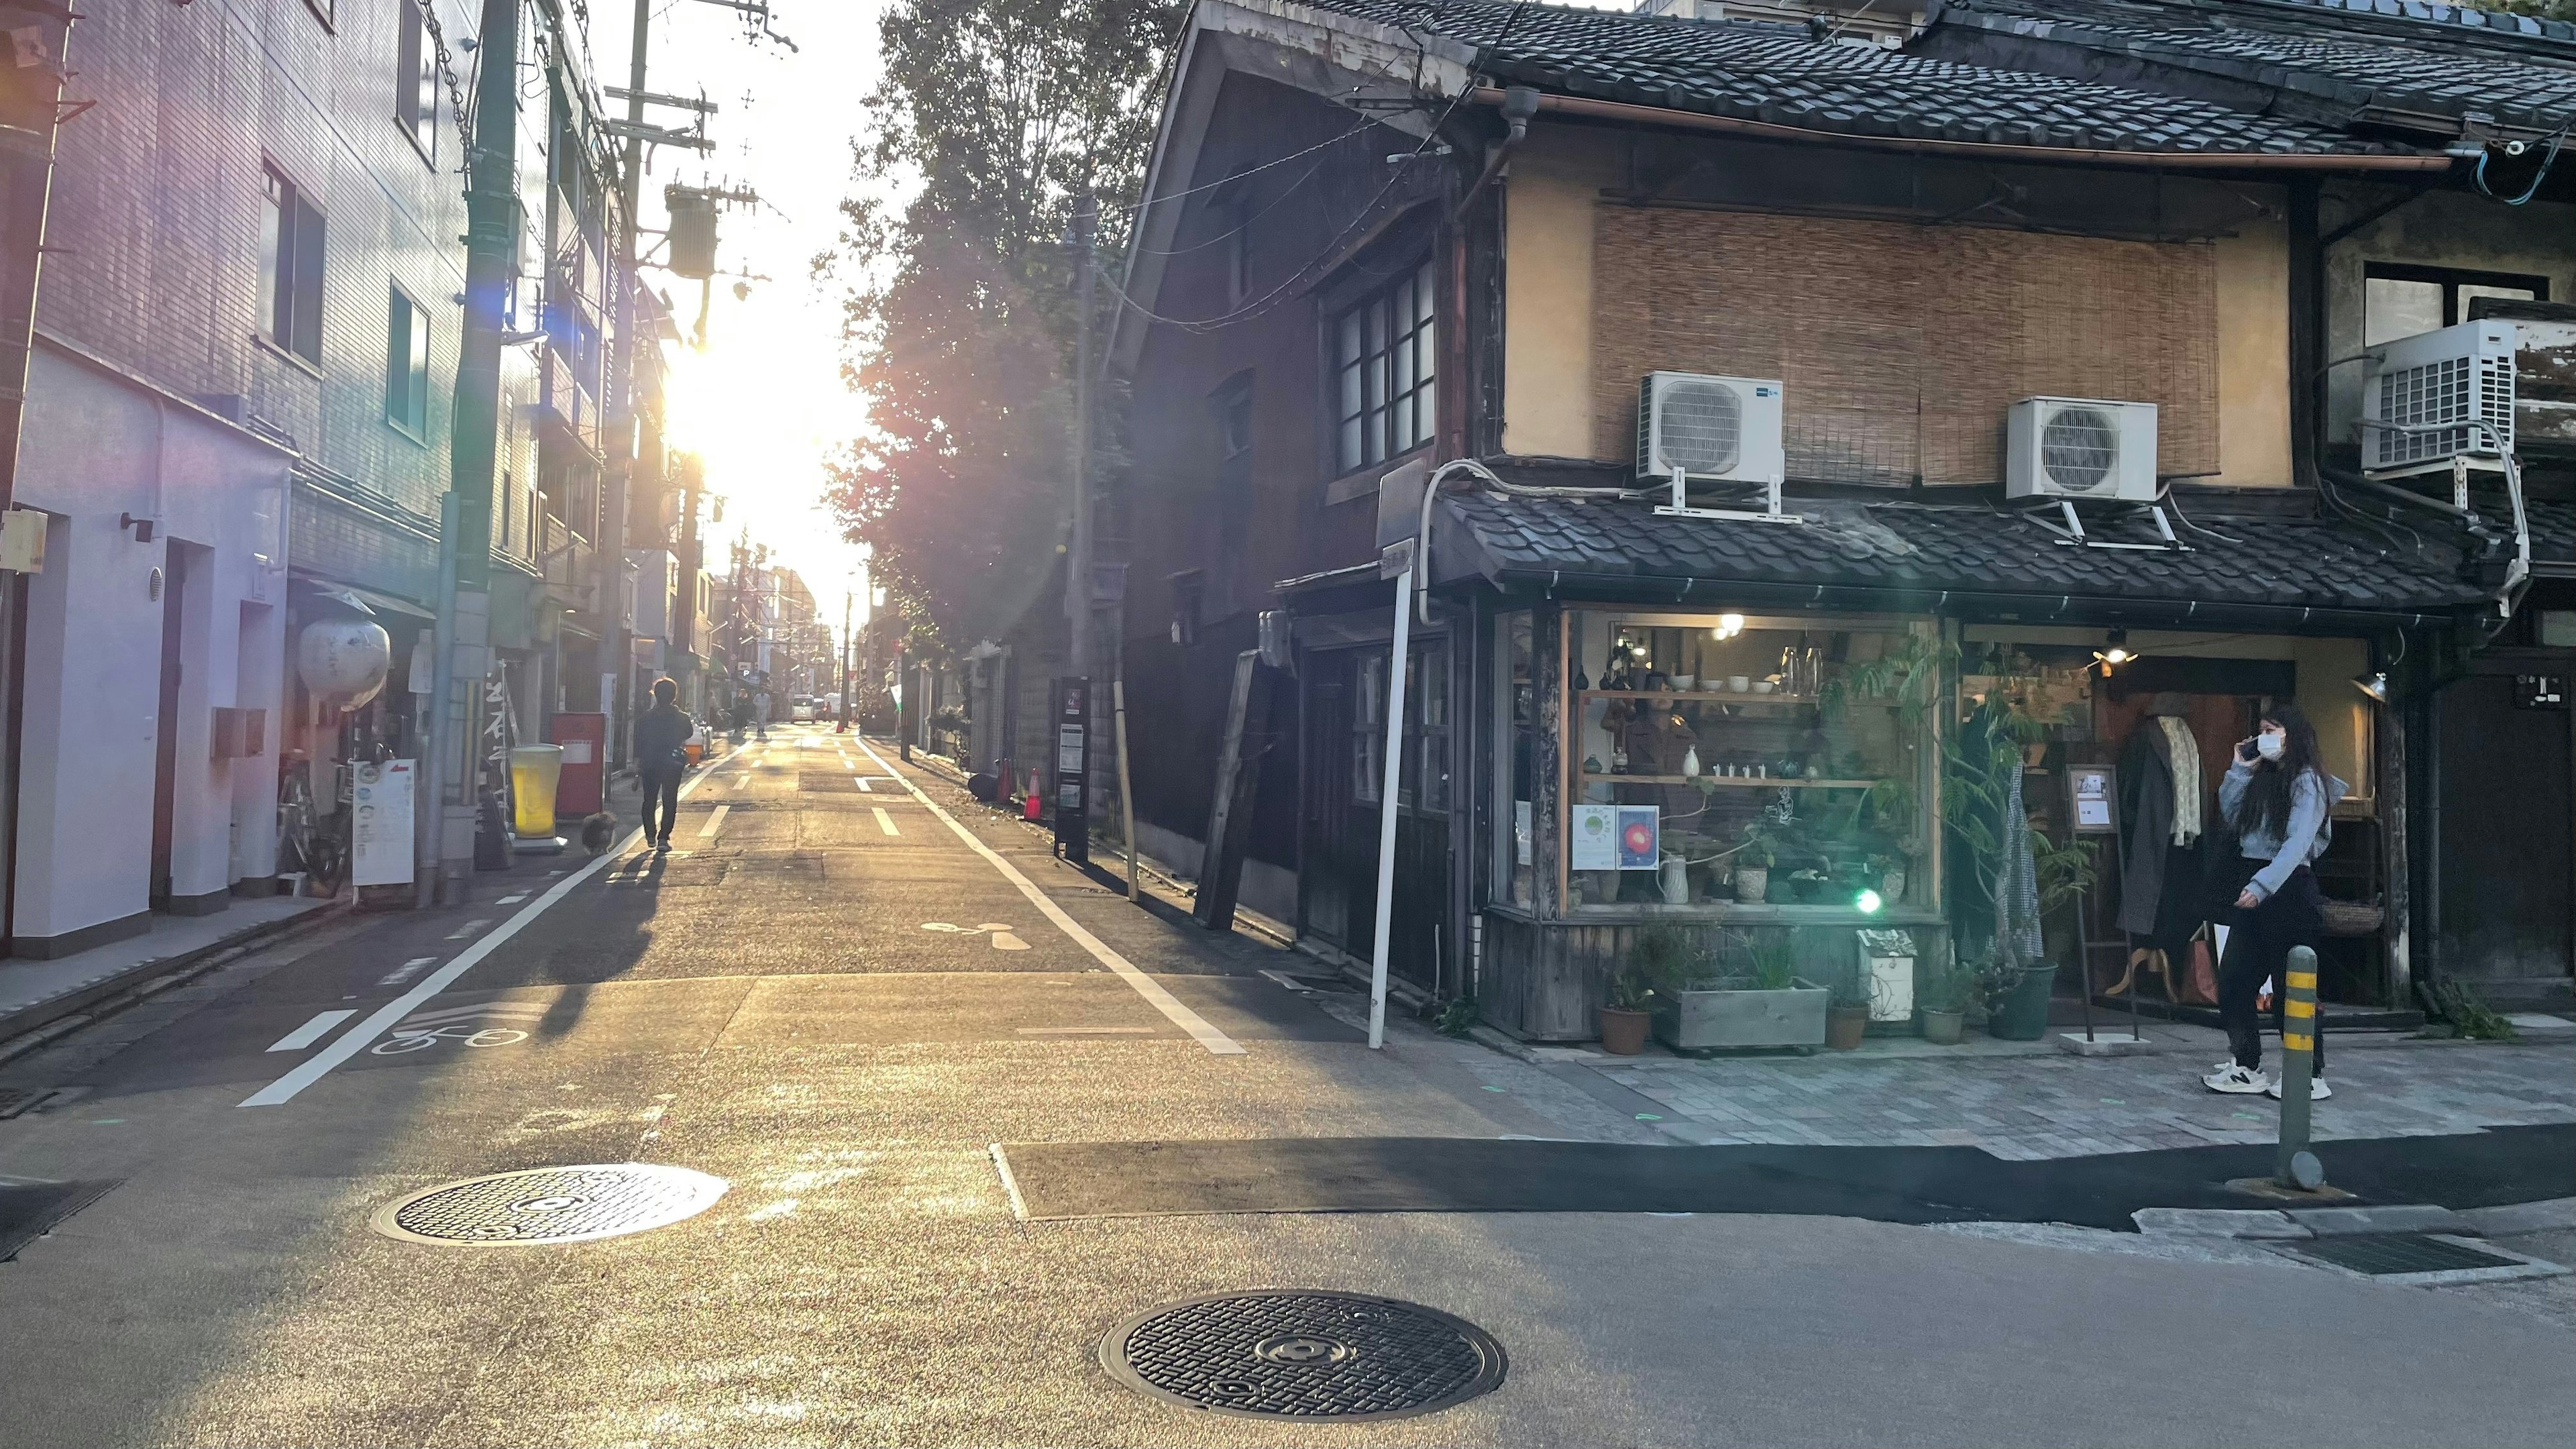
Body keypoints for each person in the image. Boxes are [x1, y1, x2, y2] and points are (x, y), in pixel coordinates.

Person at [2203, 702, 2343, 1100]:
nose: (2264, 737)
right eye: (2261, 729)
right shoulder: (2263, 778)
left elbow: (2299, 843)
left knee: (2292, 987)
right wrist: (2239, 770)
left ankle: (2309, 1072)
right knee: (2234, 980)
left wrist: (2264, 886)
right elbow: (2232, 817)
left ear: (2292, 735)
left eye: (2272, 729)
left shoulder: (2309, 782)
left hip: (2289, 888)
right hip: (2254, 881)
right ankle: (2245, 1065)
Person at [631, 676, 693, 853]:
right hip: (672, 763)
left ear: (655, 695)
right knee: (669, 799)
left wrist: (638, 762)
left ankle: (650, 834)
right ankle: (664, 838)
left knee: (649, 799)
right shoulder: (681, 717)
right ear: (674, 696)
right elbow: (688, 733)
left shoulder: (645, 718)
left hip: (650, 762)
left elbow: (638, 741)